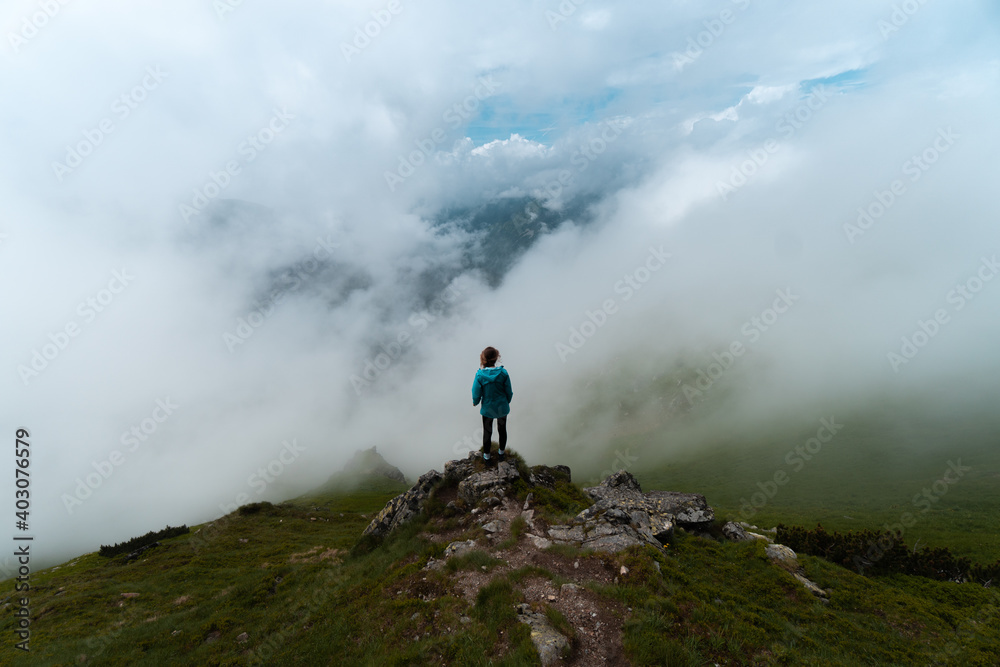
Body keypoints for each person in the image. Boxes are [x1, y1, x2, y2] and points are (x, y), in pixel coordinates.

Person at [472, 346, 513, 464]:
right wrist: (507, 402)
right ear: (496, 358)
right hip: (501, 407)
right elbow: (508, 391)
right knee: (502, 429)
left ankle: (487, 457)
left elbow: (476, 392)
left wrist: (476, 402)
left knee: (487, 431)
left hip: (488, 408)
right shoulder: (503, 373)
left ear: (483, 359)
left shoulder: (480, 375)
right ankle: (501, 454)